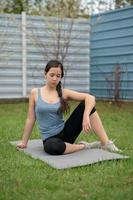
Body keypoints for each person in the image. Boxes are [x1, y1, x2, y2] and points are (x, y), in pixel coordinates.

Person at [17, 60, 120, 155]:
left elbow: (90, 98)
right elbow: (31, 119)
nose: (54, 79)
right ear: (45, 74)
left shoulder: (63, 93)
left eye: (58, 76)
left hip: (66, 133)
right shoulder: (35, 93)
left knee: (86, 105)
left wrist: (85, 116)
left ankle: (106, 143)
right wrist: (24, 142)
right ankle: (85, 146)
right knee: (51, 147)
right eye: (52, 75)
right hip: (50, 140)